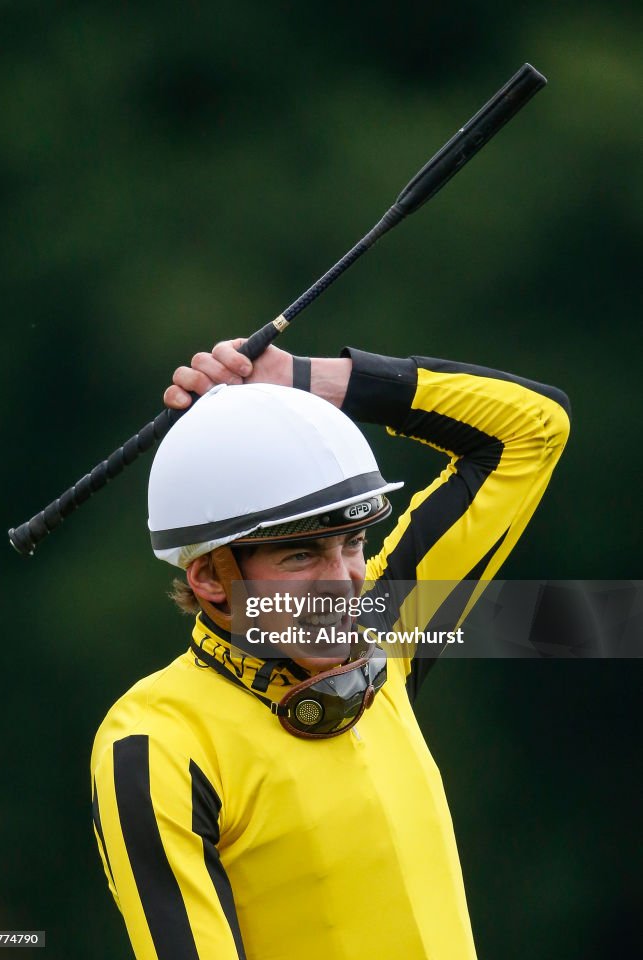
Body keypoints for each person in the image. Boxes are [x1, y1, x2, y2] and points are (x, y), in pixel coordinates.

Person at [90, 339, 570, 960]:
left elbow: (532, 429)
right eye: (301, 554)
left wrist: (304, 379)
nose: (345, 578)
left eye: (353, 543)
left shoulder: (382, 628)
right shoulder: (155, 741)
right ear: (209, 577)